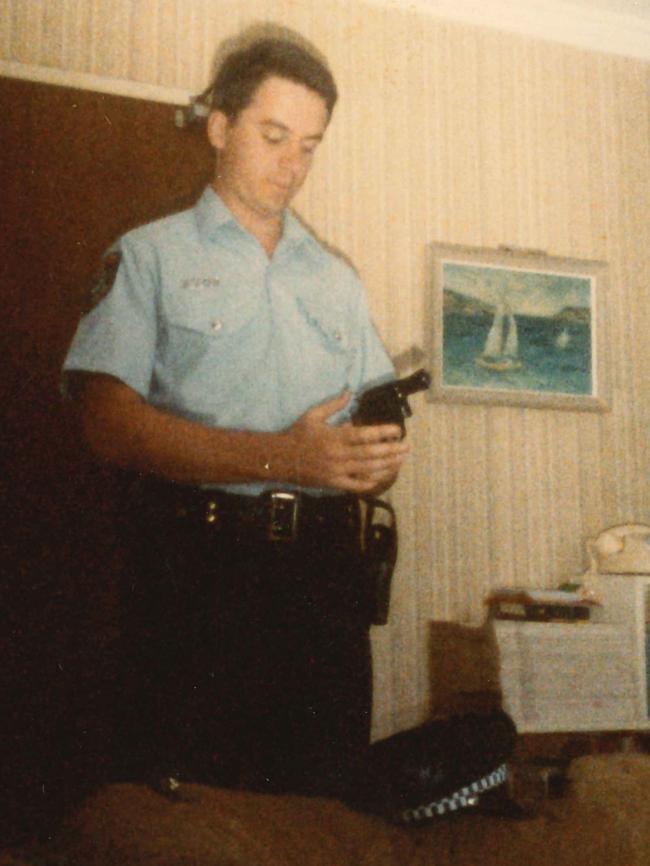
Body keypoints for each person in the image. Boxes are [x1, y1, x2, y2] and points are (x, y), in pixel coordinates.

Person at [62, 35, 409, 799]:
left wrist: (376, 450)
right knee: (185, 812)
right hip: (197, 571)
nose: (292, 165)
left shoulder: (336, 277)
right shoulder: (147, 256)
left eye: (310, 147)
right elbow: (106, 423)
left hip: (324, 579)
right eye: (273, 136)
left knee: (321, 807)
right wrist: (286, 459)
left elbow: (372, 405)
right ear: (220, 126)